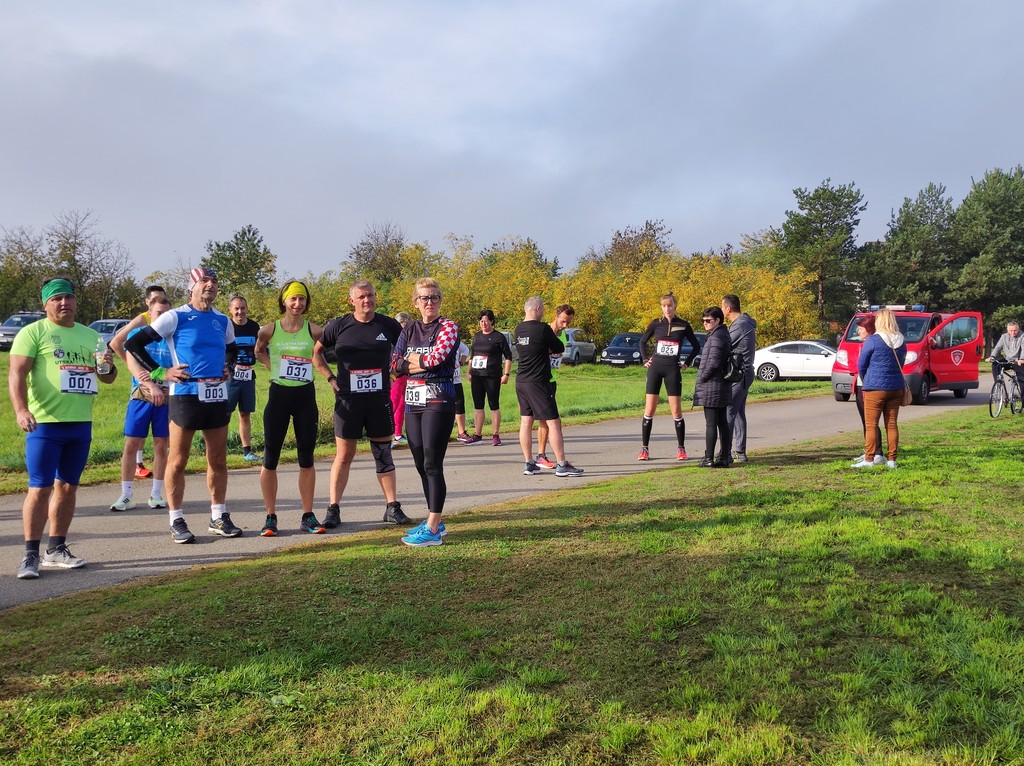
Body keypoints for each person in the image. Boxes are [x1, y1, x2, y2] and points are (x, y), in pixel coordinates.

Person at [10, 277, 118, 579]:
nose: (63, 303)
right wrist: (21, 409)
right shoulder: (33, 332)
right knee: (40, 486)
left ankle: (56, 548)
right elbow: (16, 374)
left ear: (75, 302)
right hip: (44, 423)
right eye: (56, 298)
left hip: (80, 423)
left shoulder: (91, 335)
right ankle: (30, 554)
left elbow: (107, 376)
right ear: (46, 304)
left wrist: (106, 364)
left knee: (68, 486)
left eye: (68, 297)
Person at [125, 267, 240, 543]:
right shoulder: (175, 316)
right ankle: (176, 518)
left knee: (218, 459)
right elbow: (134, 344)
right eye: (204, 281)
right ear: (192, 287)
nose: (210, 285)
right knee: (178, 459)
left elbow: (232, 349)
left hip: (215, 393)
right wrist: (160, 373)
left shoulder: (223, 320)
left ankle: (218, 515)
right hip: (185, 393)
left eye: (214, 281)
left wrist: (230, 367)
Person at [314, 280, 409, 529]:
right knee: (344, 455)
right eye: (362, 296)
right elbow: (316, 353)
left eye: (370, 295)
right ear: (352, 300)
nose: (367, 300)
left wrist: (395, 371)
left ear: (376, 297)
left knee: (383, 453)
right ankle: (333, 509)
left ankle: (392, 507)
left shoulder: (388, 325)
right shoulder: (339, 325)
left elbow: (404, 354)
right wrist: (330, 378)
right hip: (348, 401)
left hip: (379, 400)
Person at [390, 278, 460, 546]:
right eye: (424, 298)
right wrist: (414, 363)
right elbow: (394, 364)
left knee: (432, 462)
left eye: (434, 297)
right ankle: (436, 521)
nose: (429, 302)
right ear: (415, 302)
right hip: (413, 399)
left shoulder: (449, 326)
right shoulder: (408, 329)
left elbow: (438, 359)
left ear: (440, 300)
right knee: (420, 462)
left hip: (438, 397)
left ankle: (432, 528)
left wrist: (412, 362)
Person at [254, 281, 325, 536]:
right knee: (270, 457)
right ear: (284, 301)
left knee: (306, 458)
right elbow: (258, 351)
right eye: (293, 299)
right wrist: (273, 368)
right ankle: (270, 516)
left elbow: (321, 354)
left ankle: (307, 515)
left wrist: (329, 375)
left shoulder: (315, 330)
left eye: (302, 300)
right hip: (279, 396)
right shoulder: (269, 330)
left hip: (305, 396)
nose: (297, 304)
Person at [110, 295, 174, 512]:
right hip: (142, 394)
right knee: (132, 445)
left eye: (166, 315)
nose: (161, 319)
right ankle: (126, 495)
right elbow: (133, 364)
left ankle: (156, 494)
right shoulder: (138, 335)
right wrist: (152, 386)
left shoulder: (174, 337)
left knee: (161, 446)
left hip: (166, 396)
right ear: (150, 313)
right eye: (158, 314)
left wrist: (167, 386)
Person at [516, 298, 584, 478]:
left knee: (526, 421)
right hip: (539, 382)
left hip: (521, 380)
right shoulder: (542, 328)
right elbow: (559, 346)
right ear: (537, 308)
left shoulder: (519, 329)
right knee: (554, 422)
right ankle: (562, 464)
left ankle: (529, 463)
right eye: (542, 309)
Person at [637, 292, 700, 461]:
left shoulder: (683, 325)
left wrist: (686, 363)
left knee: (676, 411)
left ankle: (681, 449)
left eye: (669, 305)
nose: (667, 309)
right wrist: (644, 359)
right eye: (664, 306)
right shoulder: (655, 324)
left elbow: (696, 346)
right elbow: (642, 341)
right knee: (649, 410)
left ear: (675, 306)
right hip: (655, 368)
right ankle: (644, 449)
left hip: (673, 369)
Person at [852, 308, 906, 469]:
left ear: (879, 322)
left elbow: (862, 364)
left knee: (871, 425)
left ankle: (869, 459)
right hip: (896, 387)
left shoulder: (874, 340)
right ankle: (892, 460)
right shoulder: (901, 340)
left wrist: (867, 377)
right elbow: (901, 363)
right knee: (891, 424)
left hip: (875, 387)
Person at [534, 304, 574, 470]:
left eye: (568, 323)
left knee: (545, 420)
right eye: (563, 321)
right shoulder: (545, 332)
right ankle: (540, 456)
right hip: (541, 380)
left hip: (552, 380)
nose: (565, 326)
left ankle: (540, 456)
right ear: (556, 316)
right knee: (547, 420)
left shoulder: (564, 335)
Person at [468, 309, 513, 447]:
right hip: (477, 376)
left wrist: (506, 374)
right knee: (478, 406)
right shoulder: (476, 336)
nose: (483, 324)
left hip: (492, 376)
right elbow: (472, 355)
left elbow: (508, 356)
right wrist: (469, 372)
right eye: (481, 321)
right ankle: (477, 434)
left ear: (492, 321)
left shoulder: (498, 337)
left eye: (486, 321)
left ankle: (495, 434)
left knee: (494, 405)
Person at [694, 306, 732, 468]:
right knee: (722, 422)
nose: (705, 323)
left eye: (708, 320)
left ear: (717, 320)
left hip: (713, 385)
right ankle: (724, 456)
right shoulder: (720, 334)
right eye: (703, 321)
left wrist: (701, 378)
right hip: (719, 385)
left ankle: (709, 457)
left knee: (712, 423)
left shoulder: (717, 337)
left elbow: (714, 363)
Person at [721, 294, 757, 464]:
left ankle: (726, 453)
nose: (722, 310)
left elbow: (724, 344)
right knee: (738, 412)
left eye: (722, 307)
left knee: (729, 412)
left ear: (728, 309)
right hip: (744, 374)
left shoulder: (740, 325)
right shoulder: (744, 323)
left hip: (739, 374)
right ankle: (740, 452)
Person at [227, 294, 262, 463]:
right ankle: (218, 450)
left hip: (248, 376)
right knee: (224, 414)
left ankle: (247, 451)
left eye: (242, 308)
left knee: (245, 414)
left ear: (247, 309)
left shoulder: (255, 327)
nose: (240, 312)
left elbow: (261, 350)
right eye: (236, 308)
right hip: (229, 377)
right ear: (230, 310)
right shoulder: (226, 327)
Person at [851, 315, 884, 466]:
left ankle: (877, 453)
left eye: (861, 328)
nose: (858, 331)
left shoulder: (873, 344)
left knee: (871, 422)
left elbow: (864, 366)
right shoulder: (864, 343)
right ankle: (869, 451)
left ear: (869, 329)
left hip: (868, 386)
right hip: (860, 384)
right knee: (866, 422)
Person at [390, 312, 413, 445]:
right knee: (393, 404)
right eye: (404, 324)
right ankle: (389, 435)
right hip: (395, 375)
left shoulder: (410, 338)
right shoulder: (393, 339)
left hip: (407, 375)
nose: (405, 327)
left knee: (402, 405)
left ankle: (398, 434)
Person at [453, 339, 473, 442]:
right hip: (442, 380)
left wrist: (461, 362)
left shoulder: (455, 341)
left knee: (459, 405)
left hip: (456, 380)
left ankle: (461, 432)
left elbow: (465, 350)